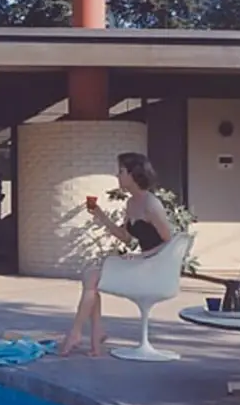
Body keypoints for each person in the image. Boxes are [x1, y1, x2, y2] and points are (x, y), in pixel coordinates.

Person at [59, 152, 172, 357]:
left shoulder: (151, 204)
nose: (117, 175)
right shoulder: (131, 204)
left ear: (133, 174)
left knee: (92, 277)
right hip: (142, 263)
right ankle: (96, 338)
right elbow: (127, 238)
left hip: (155, 268)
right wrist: (101, 215)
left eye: (121, 171)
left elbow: (169, 243)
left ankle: (76, 333)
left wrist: (142, 258)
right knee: (90, 275)